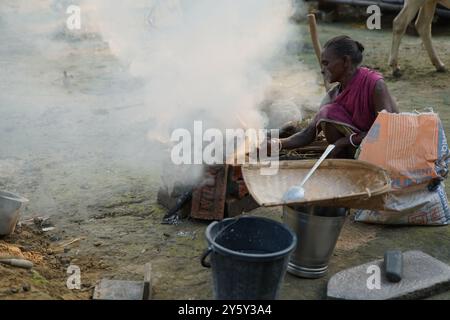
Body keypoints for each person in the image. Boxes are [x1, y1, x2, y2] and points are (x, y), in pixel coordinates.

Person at [272, 35, 399, 159]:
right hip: (356, 151)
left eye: (326, 63)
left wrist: (345, 141)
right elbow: (307, 134)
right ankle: (345, 162)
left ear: (345, 61)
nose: (322, 70)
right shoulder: (332, 96)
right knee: (326, 113)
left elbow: (385, 130)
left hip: (385, 151)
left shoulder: (375, 84)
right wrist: (276, 144)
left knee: (328, 112)